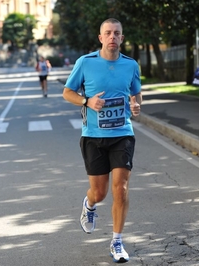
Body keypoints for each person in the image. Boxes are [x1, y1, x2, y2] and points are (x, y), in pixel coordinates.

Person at [62, 18, 142, 263]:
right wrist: (87, 101)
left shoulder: (131, 65)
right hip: (93, 137)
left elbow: (136, 94)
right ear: (100, 38)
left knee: (121, 188)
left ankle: (117, 241)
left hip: (122, 134)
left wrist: (136, 105)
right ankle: (89, 204)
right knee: (100, 193)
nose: (112, 37)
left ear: (122, 37)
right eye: (107, 33)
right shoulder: (85, 63)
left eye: (116, 33)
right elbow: (68, 93)